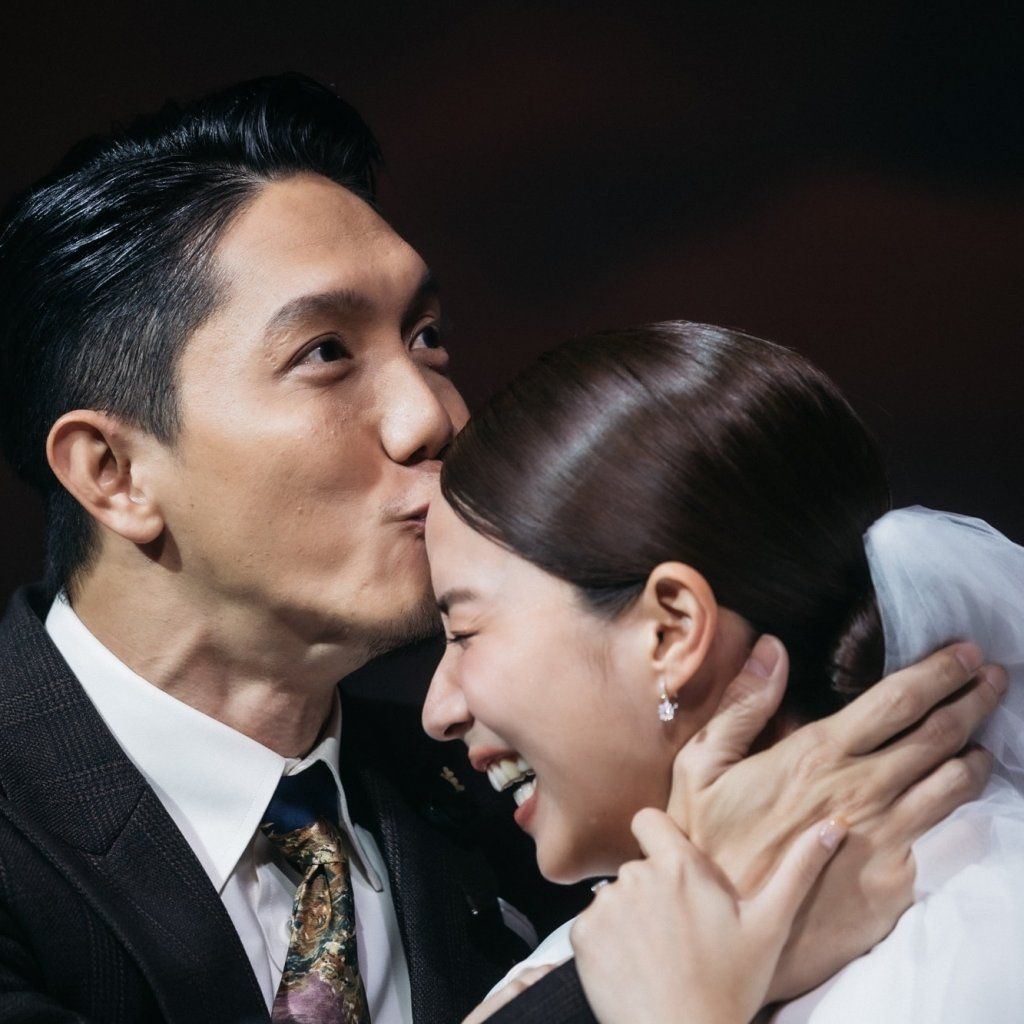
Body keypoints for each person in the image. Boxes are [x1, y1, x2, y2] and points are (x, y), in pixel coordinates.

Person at [0, 77, 999, 1024]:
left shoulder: (518, 789)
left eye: (427, 337)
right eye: (326, 353)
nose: (432, 416)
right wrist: (671, 948)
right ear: (113, 472)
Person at [422, 321, 1019, 1023]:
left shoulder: (981, 950)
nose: (437, 710)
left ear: (671, 631)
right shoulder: (577, 962)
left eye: (464, 632)